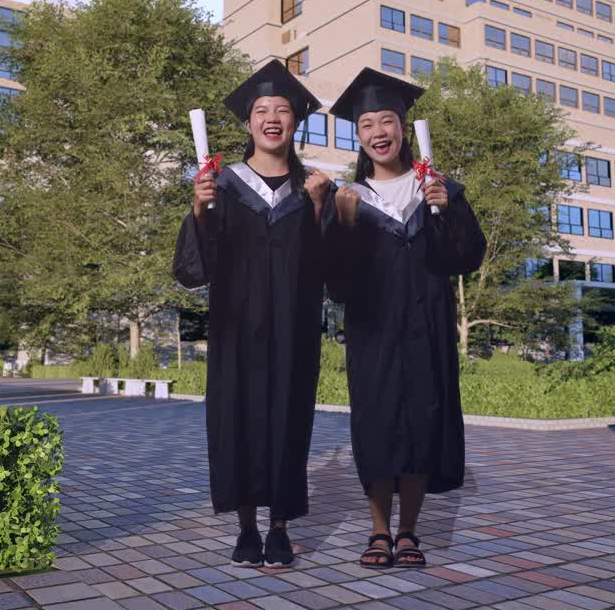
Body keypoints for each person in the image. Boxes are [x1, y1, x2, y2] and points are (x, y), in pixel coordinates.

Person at [172, 59, 333, 568]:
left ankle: (280, 526)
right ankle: (246, 527)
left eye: (282, 109)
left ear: (295, 121)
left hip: (293, 328)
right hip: (236, 327)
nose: (272, 118)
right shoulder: (222, 186)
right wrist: (198, 209)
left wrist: (318, 209)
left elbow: (330, 267)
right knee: (236, 417)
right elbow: (194, 269)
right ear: (248, 123)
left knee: (288, 417)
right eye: (262, 110)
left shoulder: (314, 187)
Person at [326, 68, 486, 569]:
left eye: (387, 120)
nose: (378, 131)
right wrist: (344, 224)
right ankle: (378, 531)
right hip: (372, 331)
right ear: (358, 136)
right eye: (367, 123)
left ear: (403, 126)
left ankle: (409, 532)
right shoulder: (348, 198)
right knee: (376, 424)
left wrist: (448, 212)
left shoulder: (438, 189)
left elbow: (466, 258)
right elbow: (337, 284)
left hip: (427, 327)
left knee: (422, 419)